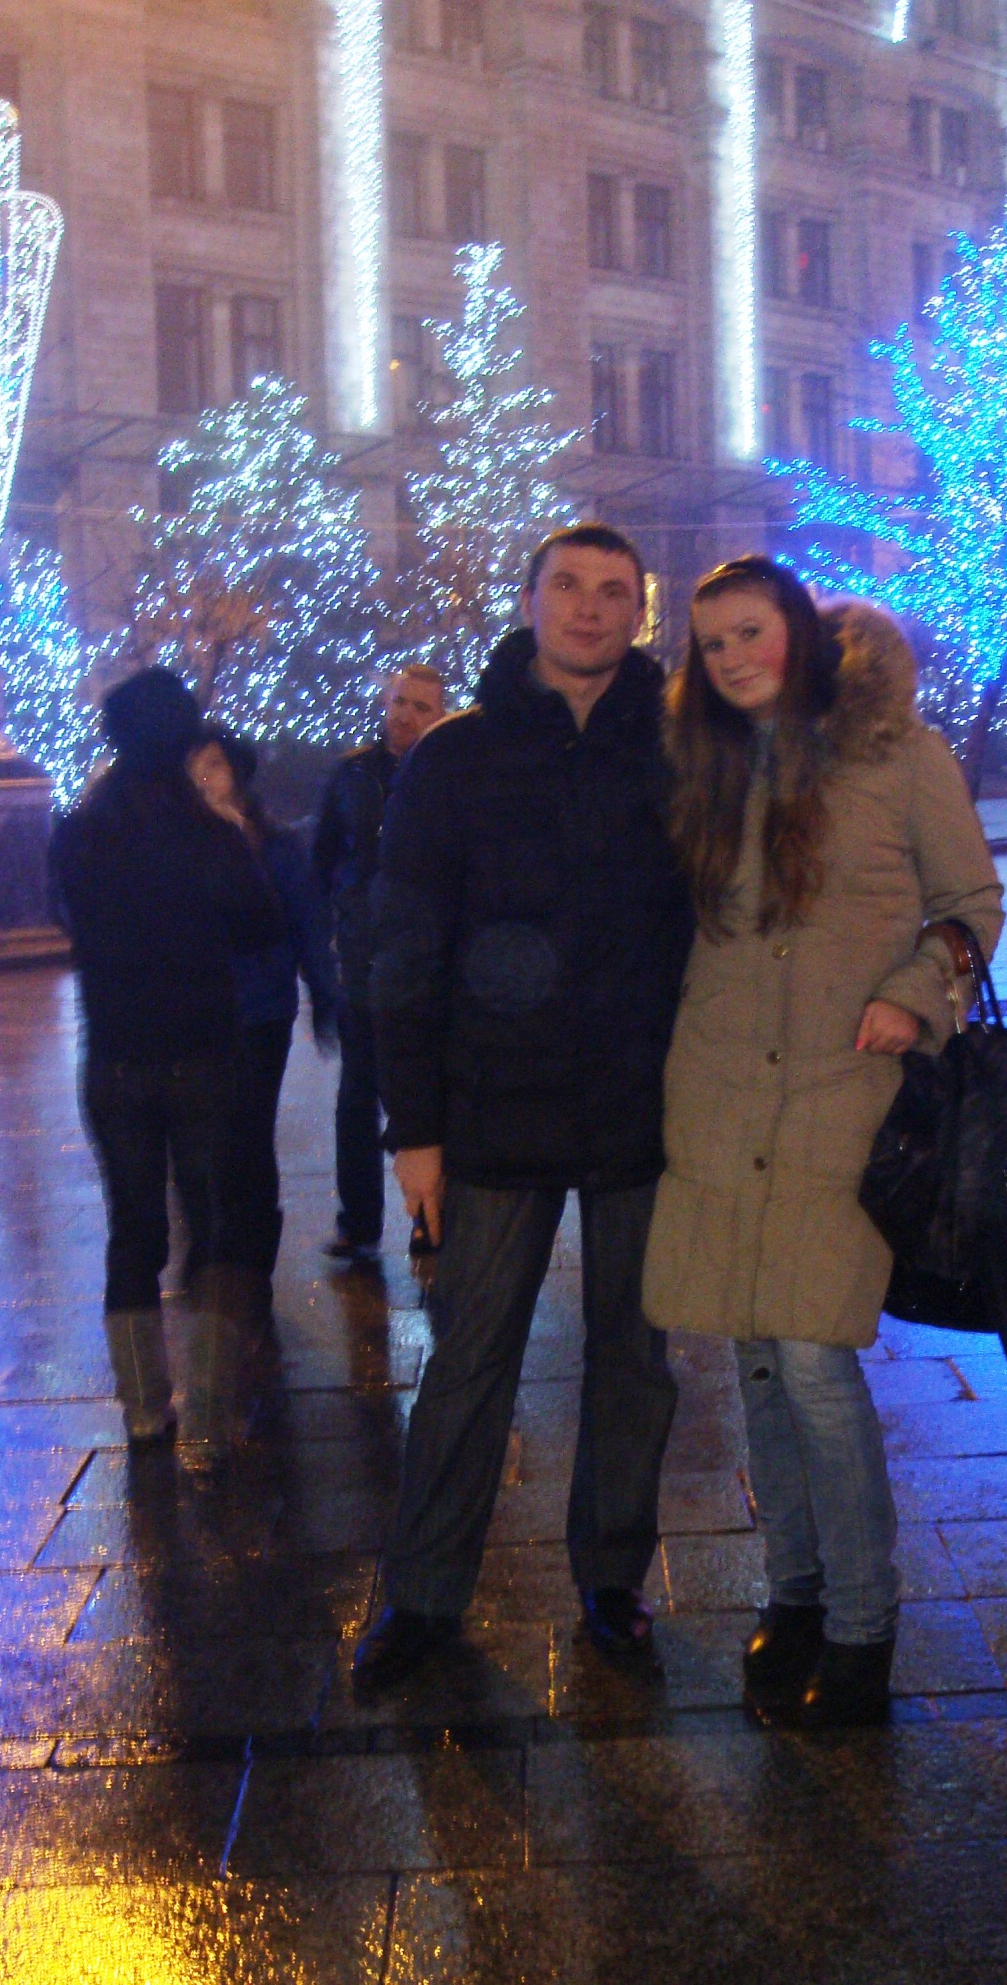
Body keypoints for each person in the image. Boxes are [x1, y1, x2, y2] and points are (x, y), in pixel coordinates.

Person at [641, 560, 1004, 1729]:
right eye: (712, 643)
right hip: (718, 1091)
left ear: (798, 632)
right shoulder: (705, 764)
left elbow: (972, 903)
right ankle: (792, 1588)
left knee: (811, 1354)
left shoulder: (901, 754)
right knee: (752, 1351)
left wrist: (913, 991)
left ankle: (860, 1619)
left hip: (844, 1092)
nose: (733, 658)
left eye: (750, 632)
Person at [350, 523, 692, 1699]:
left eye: (613, 590)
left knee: (633, 1358)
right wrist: (413, 1129)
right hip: (495, 1107)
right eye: (568, 586)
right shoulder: (456, 755)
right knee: (468, 1358)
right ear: (531, 599)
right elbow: (403, 948)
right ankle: (422, 1591)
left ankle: (613, 1576)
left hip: (642, 1106)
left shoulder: (677, 748)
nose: (589, 608)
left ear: (638, 611)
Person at [50, 669, 283, 1449]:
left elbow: (69, 917)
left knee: (133, 1226)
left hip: (115, 1057)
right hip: (205, 1051)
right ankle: (212, 1409)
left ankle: (145, 1406)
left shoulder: (80, 835)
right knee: (213, 1224)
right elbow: (259, 925)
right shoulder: (208, 835)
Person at [183, 725, 339, 1310]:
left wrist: (324, 996)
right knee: (199, 1141)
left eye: (214, 766)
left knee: (248, 1136)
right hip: (194, 1015)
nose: (203, 779)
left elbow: (306, 923)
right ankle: (209, 1251)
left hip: (259, 1012)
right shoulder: (174, 843)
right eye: (193, 768)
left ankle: (250, 1262)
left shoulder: (274, 845)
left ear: (238, 774)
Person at [313, 664, 445, 1260]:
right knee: (356, 1096)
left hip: (423, 960)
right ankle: (359, 1220)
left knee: (421, 1096)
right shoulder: (353, 773)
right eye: (398, 702)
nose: (404, 716)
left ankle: (428, 1216)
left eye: (420, 706)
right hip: (363, 956)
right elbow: (324, 857)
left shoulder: (445, 772)